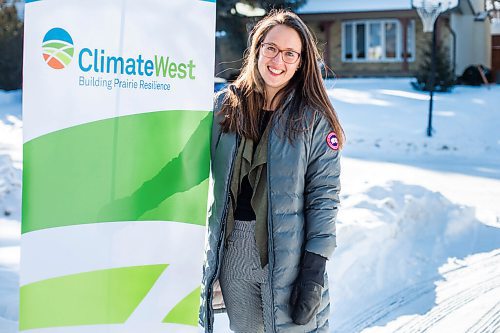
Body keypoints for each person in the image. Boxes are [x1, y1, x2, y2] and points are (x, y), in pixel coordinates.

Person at [199, 9, 344, 333]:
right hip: (234, 255)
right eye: (272, 48)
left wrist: (313, 269)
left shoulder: (313, 120)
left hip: (288, 260)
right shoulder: (225, 109)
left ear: (301, 62)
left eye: (290, 53)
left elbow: (324, 198)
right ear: (257, 49)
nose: (278, 60)